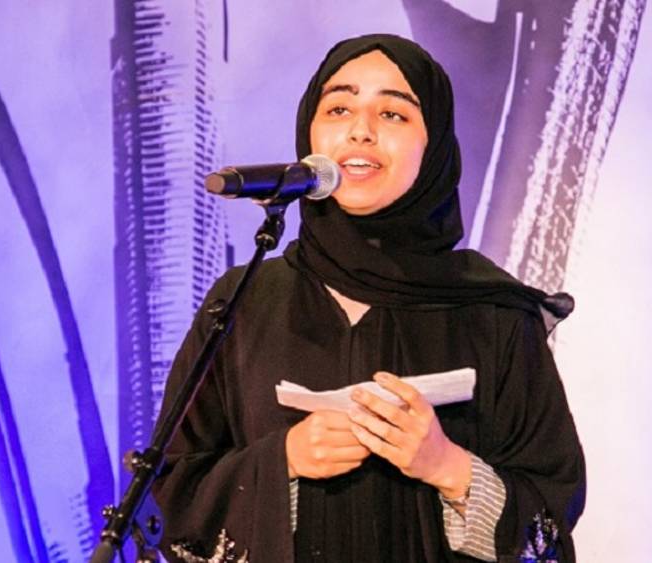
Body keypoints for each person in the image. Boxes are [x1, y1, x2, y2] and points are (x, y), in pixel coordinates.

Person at [152, 34, 586, 562]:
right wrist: (283, 461)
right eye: (339, 109)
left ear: (434, 146)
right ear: (309, 133)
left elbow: (552, 509)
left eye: (393, 114)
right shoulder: (244, 302)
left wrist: (448, 468)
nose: (360, 131)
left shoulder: (494, 315)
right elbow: (171, 492)